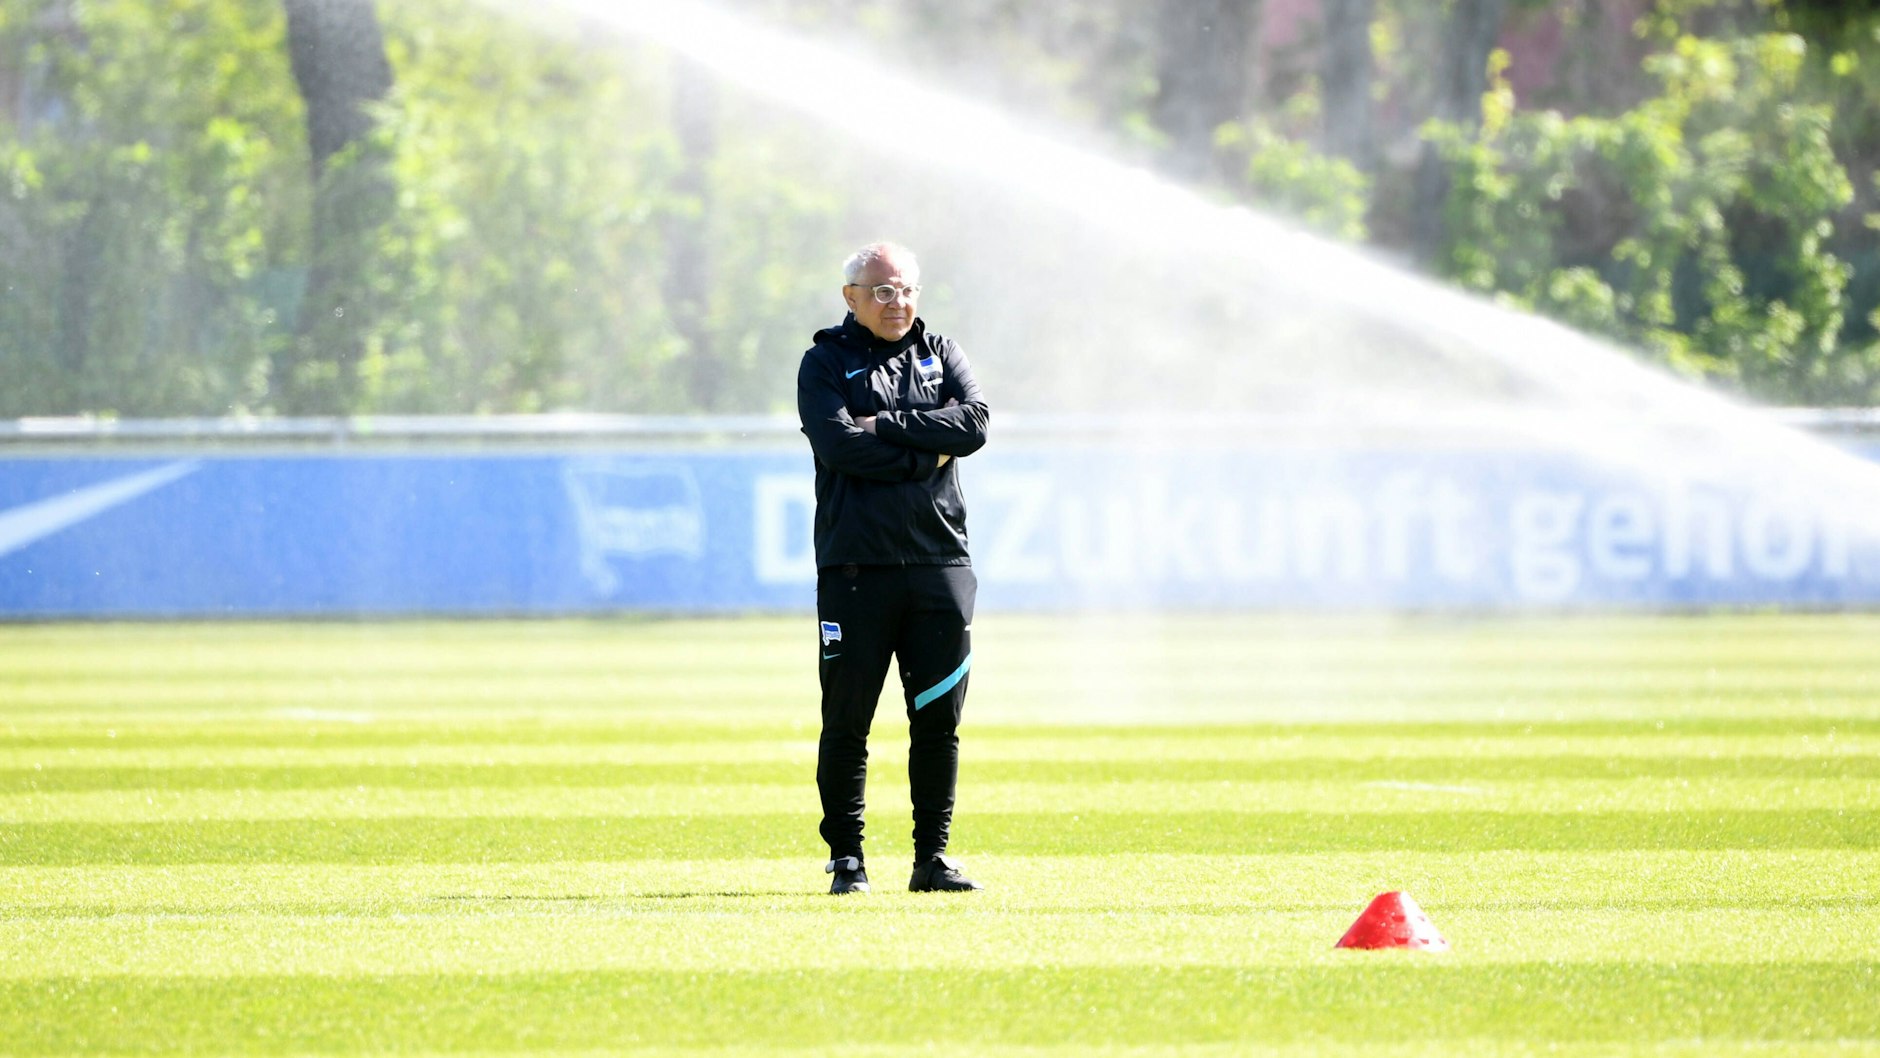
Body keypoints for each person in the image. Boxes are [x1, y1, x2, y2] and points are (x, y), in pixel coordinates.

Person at [796, 241, 990, 895]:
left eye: (905, 288)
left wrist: (889, 427)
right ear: (850, 296)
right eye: (881, 290)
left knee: (939, 720)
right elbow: (838, 445)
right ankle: (847, 861)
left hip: (941, 564)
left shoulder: (944, 353)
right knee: (847, 720)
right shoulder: (825, 361)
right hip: (856, 568)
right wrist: (922, 456)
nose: (896, 301)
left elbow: (973, 424)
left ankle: (931, 859)